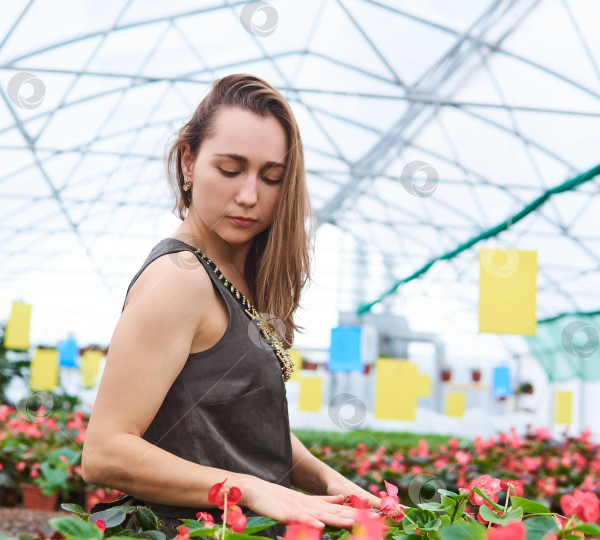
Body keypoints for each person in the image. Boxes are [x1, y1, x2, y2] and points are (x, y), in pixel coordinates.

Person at [81, 74, 381, 539]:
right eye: (229, 169)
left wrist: (323, 478)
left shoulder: (233, 275)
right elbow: (104, 453)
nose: (248, 196)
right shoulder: (178, 280)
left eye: (271, 177)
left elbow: (233, 418)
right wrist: (246, 489)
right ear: (188, 161)